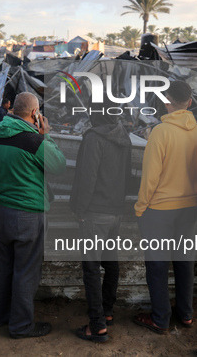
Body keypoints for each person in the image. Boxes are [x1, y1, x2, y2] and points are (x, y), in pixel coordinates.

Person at [0, 92, 66, 338]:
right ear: (35, 114)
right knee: (26, 272)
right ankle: (21, 326)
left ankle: (2, 316)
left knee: (4, 268)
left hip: (1, 213)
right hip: (28, 215)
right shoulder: (34, 141)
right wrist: (46, 135)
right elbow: (59, 166)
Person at [133, 81, 197, 335]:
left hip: (160, 210)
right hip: (190, 208)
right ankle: (185, 315)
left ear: (166, 101)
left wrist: (141, 207)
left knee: (157, 265)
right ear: (189, 102)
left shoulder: (161, 132)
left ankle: (160, 318)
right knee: (185, 262)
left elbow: (150, 177)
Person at [70, 106, 132, 343]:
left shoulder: (94, 138)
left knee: (92, 268)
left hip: (95, 212)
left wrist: (80, 209)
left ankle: (97, 326)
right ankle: (106, 312)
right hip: (115, 211)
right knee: (111, 263)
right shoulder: (123, 136)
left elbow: (87, 177)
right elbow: (127, 176)